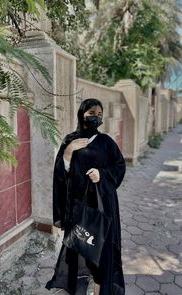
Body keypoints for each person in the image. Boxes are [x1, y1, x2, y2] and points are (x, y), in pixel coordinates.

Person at [45, 98, 126, 295]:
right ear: (82, 114)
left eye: (99, 114)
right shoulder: (70, 140)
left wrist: (102, 175)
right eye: (91, 113)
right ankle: (76, 285)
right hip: (78, 205)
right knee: (80, 244)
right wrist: (68, 154)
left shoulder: (106, 142)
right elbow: (60, 175)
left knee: (103, 248)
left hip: (102, 205)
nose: (96, 118)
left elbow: (119, 166)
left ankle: (100, 286)